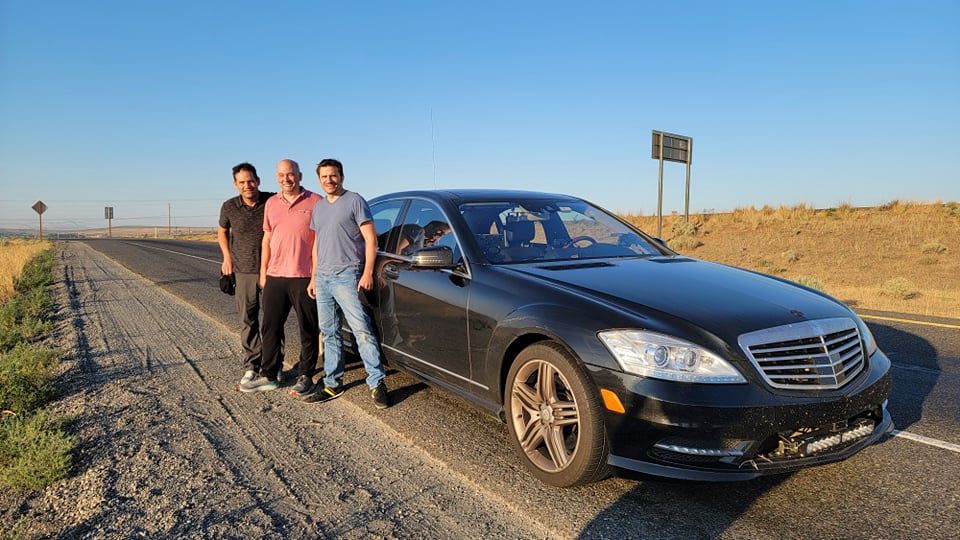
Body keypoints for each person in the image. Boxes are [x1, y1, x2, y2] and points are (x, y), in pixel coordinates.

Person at [303, 158, 390, 409]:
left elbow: (370, 239)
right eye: (324, 177)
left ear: (341, 176)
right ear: (318, 179)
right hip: (323, 279)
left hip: (348, 275)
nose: (329, 180)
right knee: (329, 332)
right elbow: (318, 244)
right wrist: (313, 276)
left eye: (333, 176)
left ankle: (376, 382)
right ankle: (333, 382)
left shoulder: (355, 201)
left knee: (361, 330)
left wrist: (367, 272)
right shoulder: (319, 207)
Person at [239, 159, 321, 394]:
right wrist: (264, 273)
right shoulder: (272, 204)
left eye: (291, 174)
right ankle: (270, 374)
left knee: (308, 328)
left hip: (304, 277)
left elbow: (319, 242)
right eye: (282, 175)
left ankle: (305, 374)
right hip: (275, 276)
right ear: (277, 178)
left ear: (300, 175)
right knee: (271, 327)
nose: (287, 179)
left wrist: (315, 276)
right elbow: (266, 239)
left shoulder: (316, 202)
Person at [218, 162, 275, 386]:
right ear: (235, 184)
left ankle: (273, 366)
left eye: (250, 181)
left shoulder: (272, 201)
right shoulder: (229, 206)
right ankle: (252, 366)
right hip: (243, 271)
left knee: (272, 322)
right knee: (247, 320)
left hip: (273, 270)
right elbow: (222, 231)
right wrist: (227, 258)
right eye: (242, 182)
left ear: (258, 180)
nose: (247, 185)